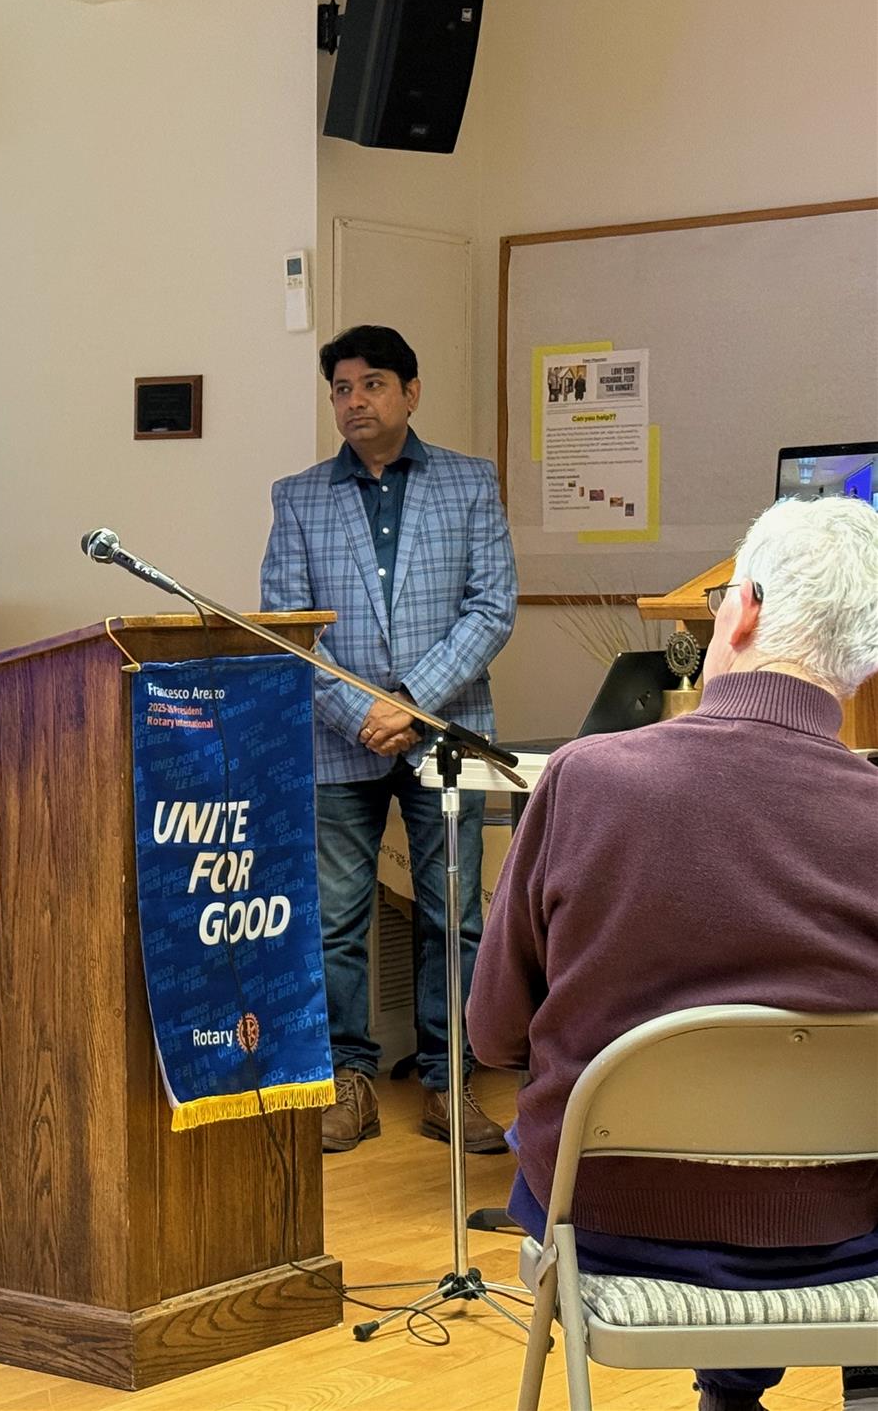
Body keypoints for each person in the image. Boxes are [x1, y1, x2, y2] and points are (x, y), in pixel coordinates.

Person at [469, 496, 878, 1411]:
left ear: (744, 608)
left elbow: (493, 1035)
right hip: (849, 1237)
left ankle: (729, 1395)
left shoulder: (587, 779)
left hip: (614, 1228)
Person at [260, 325, 518, 1154]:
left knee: (456, 918)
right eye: (341, 387)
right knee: (336, 919)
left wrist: (408, 704)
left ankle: (452, 1083)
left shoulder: (470, 483)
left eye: (372, 383)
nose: (355, 400)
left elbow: (492, 609)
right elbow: (287, 628)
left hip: (445, 734)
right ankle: (350, 1081)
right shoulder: (298, 497)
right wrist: (360, 712)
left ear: (411, 391)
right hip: (339, 739)